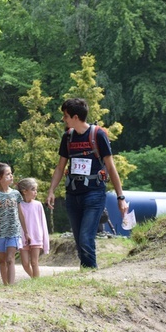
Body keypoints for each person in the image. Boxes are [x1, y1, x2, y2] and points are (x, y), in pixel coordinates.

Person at [46, 98, 128, 269]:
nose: (63, 119)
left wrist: (121, 197)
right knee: (79, 240)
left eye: (65, 116)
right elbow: (60, 167)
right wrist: (51, 190)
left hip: (94, 194)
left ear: (75, 117)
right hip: (73, 194)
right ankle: (87, 272)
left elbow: (111, 167)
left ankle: (91, 273)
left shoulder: (98, 134)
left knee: (85, 238)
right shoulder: (67, 137)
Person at [0, 162, 25, 286]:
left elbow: (21, 214)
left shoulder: (16, 194)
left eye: (11, 174)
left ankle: (11, 285)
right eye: (8, 174)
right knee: (2, 260)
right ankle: (5, 284)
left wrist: (26, 231)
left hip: (13, 231)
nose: (11, 176)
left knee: (10, 259)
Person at [17, 177, 50, 278]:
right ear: (24, 191)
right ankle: (34, 278)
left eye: (36, 190)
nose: (35, 192)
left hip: (36, 236)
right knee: (25, 263)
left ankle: (36, 281)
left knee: (34, 262)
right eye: (33, 189)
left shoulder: (38, 205)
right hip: (23, 238)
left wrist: (45, 241)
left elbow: (43, 223)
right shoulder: (18, 205)